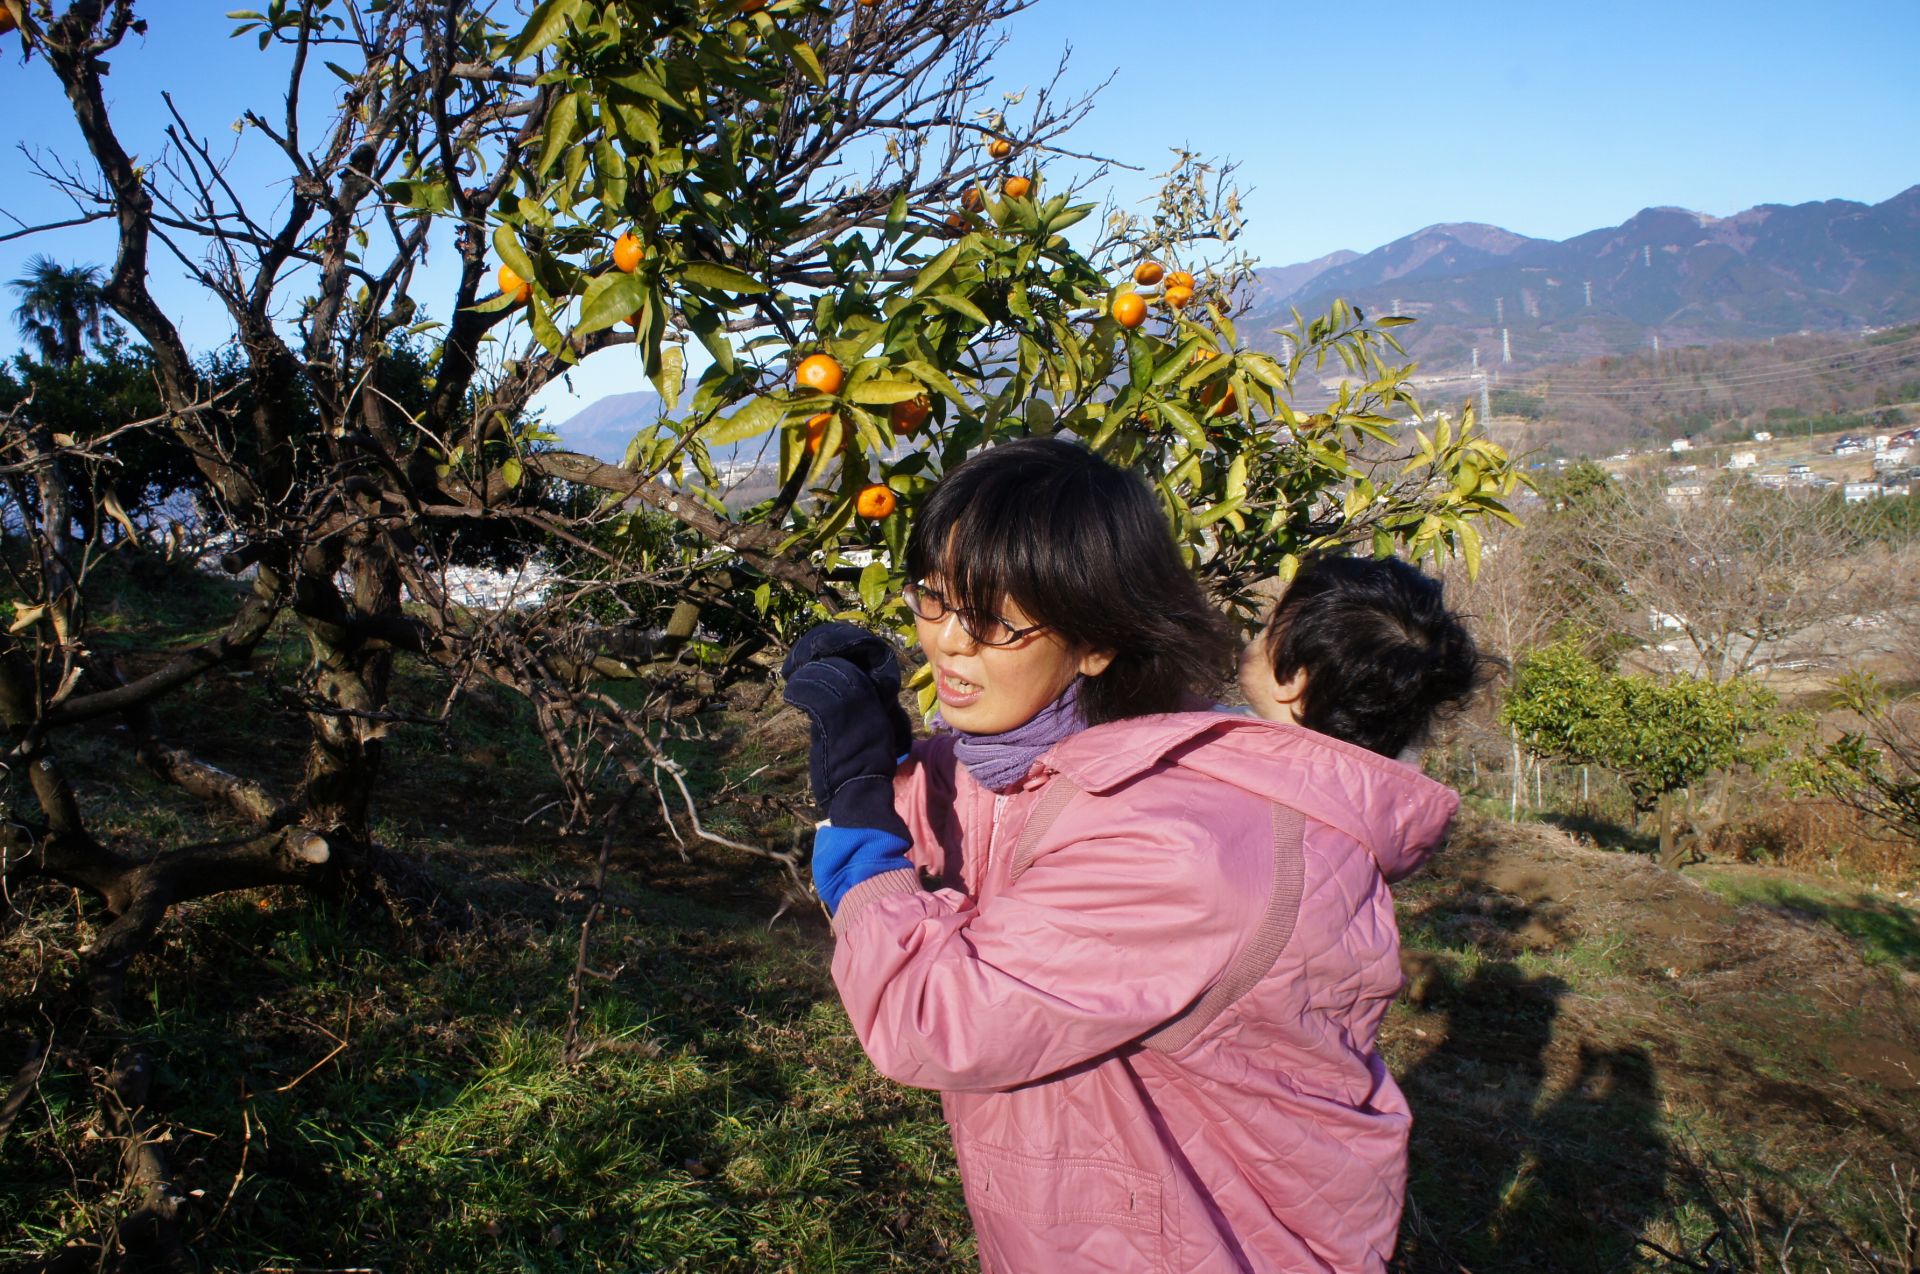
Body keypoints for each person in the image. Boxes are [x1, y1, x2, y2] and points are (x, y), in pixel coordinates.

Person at [781, 438, 1478, 1272]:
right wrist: (887, 753)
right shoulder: (1088, 752)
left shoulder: (1186, 848)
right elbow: (994, 819)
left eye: (995, 620)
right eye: (934, 598)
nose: (950, 645)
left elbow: (936, 1017)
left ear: (1098, 642)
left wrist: (857, 815)